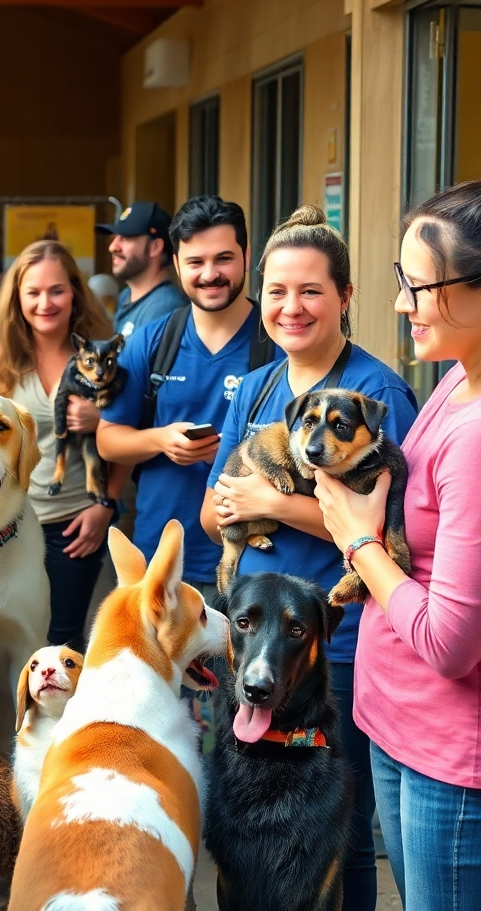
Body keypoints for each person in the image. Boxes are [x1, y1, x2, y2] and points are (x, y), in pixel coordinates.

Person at [199, 205, 419, 911]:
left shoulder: (374, 394)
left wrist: (277, 501)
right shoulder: (262, 388)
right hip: (256, 635)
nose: (290, 308)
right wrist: (253, 501)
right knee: (251, 824)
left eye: (311, 292)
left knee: (339, 833)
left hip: (341, 647)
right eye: (276, 292)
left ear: (346, 297)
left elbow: (397, 538)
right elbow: (213, 511)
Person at [313, 181, 481, 911]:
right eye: (399, 281)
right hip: (396, 720)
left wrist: (357, 540)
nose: (401, 304)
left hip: (449, 750)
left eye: (417, 286)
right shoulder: (456, 380)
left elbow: (451, 643)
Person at [97, 195, 279, 597]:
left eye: (224, 259)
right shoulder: (152, 340)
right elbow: (108, 440)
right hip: (159, 558)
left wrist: (235, 455)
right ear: (176, 264)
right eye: (195, 262)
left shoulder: (276, 346)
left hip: (252, 562)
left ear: (247, 256)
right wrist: (161, 440)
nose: (210, 274)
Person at [0, 240, 127, 653]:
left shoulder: (99, 356)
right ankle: (13, 721)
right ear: (17, 298)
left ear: (75, 292)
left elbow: (124, 440)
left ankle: (65, 721)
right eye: (34, 292)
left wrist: (105, 505)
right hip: (4, 523)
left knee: (62, 644)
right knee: (5, 643)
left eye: (56, 290)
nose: (46, 302)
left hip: (75, 522)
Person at [97, 200, 186, 339]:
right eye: (115, 237)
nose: (113, 247)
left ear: (155, 247)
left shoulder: (164, 309)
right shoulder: (126, 296)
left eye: (126, 238)